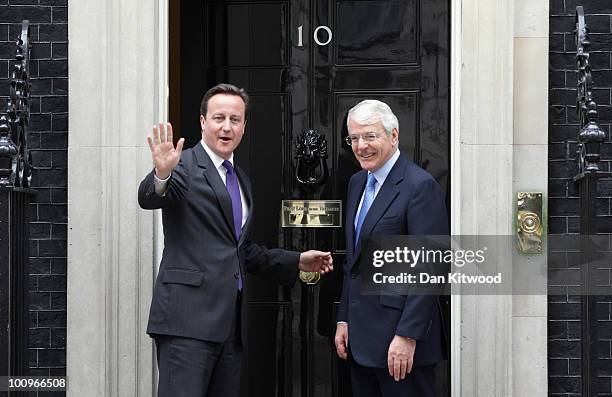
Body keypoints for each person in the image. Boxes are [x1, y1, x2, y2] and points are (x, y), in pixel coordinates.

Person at [138, 83, 333, 397]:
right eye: (218, 118)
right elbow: (150, 197)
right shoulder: (183, 165)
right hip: (187, 324)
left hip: (230, 326)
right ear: (203, 122)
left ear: (244, 126)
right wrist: (161, 175)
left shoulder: (240, 179)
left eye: (235, 119)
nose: (226, 126)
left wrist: (296, 260)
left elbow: (243, 251)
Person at [334, 99, 448, 397]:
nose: (361, 146)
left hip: (401, 348)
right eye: (354, 138)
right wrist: (344, 318)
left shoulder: (419, 186)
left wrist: (407, 335)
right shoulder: (358, 183)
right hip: (361, 342)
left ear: (393, 135)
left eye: (370, 136)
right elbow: (354, 262)